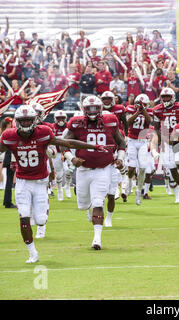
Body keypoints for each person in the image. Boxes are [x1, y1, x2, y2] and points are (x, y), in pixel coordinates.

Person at [0, 104, 105, 263]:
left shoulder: (44, 132)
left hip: (40, 182)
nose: (25, 123)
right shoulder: (10, 136)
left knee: (40, 221)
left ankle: (44, 209)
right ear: (17, 121)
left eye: (28, 120)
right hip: (22, 182)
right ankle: (32, 253)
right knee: (24, 218)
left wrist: (93, 146)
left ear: (34, 120)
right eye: (22, 120)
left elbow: (68, 143)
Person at [63, 96, 126, 250]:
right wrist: (71, 158)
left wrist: (120, 158)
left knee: (98, 202)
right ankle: (90, 210)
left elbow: (121, 142)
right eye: (89, 108)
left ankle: (97, 239)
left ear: (100, 108)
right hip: (83, 169)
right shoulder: (76, 122)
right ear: (84, 110)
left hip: (103, 169)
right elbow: (64, 144)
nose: (92, 111)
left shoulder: (110, 120)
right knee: (84, 205)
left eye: (94, 108)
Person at [152, 87, 179, 204]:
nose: (165, 99)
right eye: (163, 97)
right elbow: (156, 128)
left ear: (172, 97)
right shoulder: (157, 110)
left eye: (167, 97)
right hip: (166, 141)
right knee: (170, 167)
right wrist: (164, 139)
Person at [124, 94, 152, 205]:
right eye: (140, 104)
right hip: (131, 140)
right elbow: (128, 122)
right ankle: (130, 183)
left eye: (144, 105)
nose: (141, 106)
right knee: (131, 168)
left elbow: (149, 121)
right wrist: (137, 112)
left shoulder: (149, 111)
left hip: (143, 141)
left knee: (143, 168)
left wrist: (143, 110)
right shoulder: (130, 109)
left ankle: (139, 190)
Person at [51, 110, 72, 201]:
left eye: (62, 118)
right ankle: (59, 189)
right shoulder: (52, 127)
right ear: (55, 119)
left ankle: (67, 185)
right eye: (58, 118)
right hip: (57, 152)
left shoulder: (69, 127)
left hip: (67, 152)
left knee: (69, 171)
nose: (60, 120)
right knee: (59, 174)